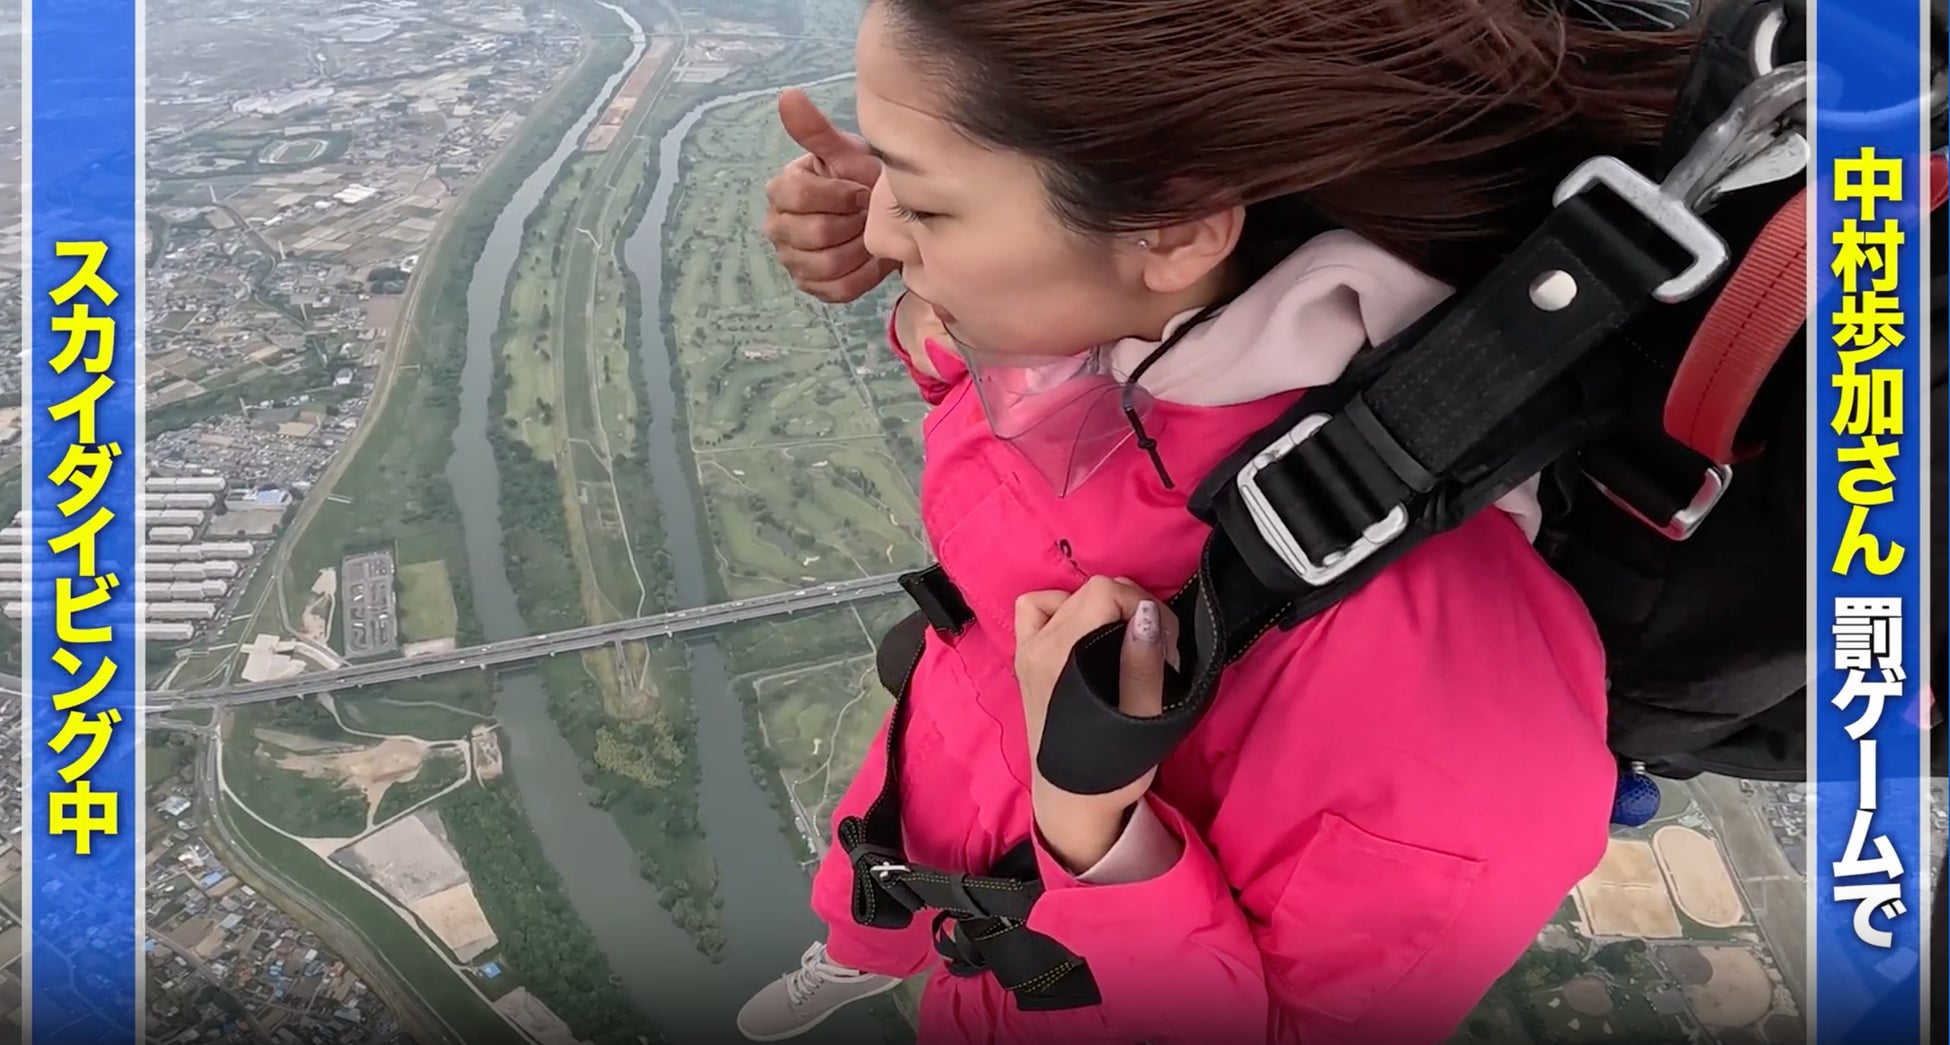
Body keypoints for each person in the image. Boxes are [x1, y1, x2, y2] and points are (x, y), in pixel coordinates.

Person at [737, 1, 1702, 1042]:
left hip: (1037, 977)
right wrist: (916, 252)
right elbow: (992, 408)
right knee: (876, 898)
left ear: (1178, 228)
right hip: (935, 794)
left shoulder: (1447, 701)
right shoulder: (1123, 345)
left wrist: (1095, 831)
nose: (879, 231)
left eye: (920, 207)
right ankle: (861, 946)